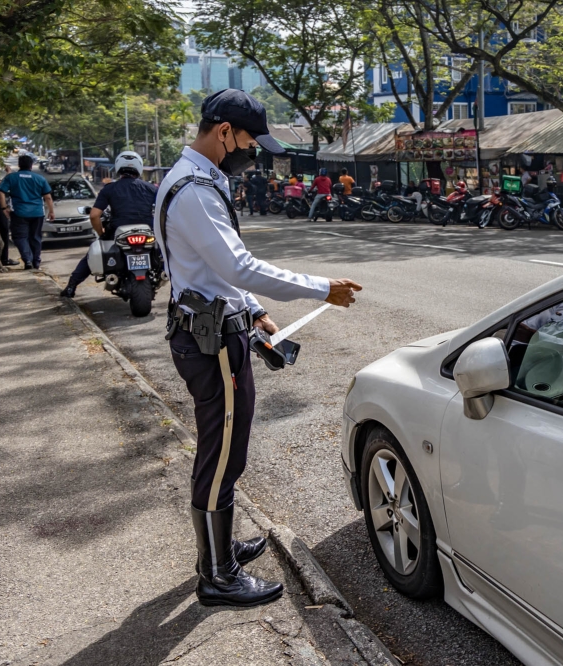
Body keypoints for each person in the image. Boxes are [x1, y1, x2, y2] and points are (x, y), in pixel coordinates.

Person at [154, 89, 361, 608]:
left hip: (215, 324)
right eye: (248, 141)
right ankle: (218, 576)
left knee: (225, 447)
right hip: (210, 342)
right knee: (222, 452)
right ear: (223, 132)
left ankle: (219, 552)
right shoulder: (197, 189)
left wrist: (253, 309)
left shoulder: (191, 179)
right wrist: (322, 288)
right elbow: (238, 266)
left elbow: (214, 272)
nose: (252, 151)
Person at [59, 151, 156, 298]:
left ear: (118, 167)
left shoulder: (109, 189)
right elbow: (167, 211)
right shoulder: (151, 188)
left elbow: (94, 215)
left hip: (118, 231)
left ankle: (71, 286)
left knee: (90, 256)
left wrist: (102, 234)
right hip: (148, 232)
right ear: (139, 167)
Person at [0, 154, 55, 270]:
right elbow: (48, 197)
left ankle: (27, 260)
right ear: (31, 165)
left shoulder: (12, 177)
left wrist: (4, 208)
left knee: (20, 237)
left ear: (19, 165)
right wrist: (51, 211)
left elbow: (0, 193)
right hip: (37, 213)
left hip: (19, 213)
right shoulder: (39, 178)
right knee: (35, 237)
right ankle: (36, 262)